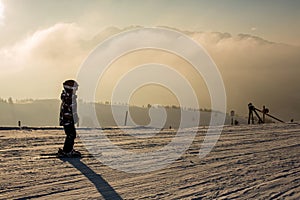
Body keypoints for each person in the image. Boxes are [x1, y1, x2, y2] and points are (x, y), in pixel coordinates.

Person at [58, 80, 81, 157]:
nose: (76, 91)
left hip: (67, 119)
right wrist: (73, 118)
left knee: (71, 134)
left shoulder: (68, 97)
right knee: (71, 134)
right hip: (68, 120)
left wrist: (75, 117)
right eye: (75, 89)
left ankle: (67, 150)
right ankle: (67, 151)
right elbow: (69, 110)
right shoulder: (69, 98)